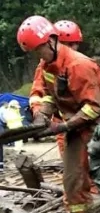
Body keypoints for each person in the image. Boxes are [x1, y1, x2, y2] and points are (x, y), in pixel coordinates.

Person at [17, 16, 100, 213]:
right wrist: (42, 116)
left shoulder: (78, 65)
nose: (38, 56)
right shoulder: (47, 65)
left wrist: (60, 127)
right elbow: (49, 95)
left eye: (38, 50)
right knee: (72, 179)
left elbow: (93, 108)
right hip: (77, 123)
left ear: (51, 41)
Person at [30, 19, 84, 157]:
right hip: (61, 121)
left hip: (82, 121)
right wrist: (39, 115)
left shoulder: (79, 63)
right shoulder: (45, 67)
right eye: (68, 44)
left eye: (75, 44)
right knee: (70, 161)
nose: (72, 48)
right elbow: (38, 93)